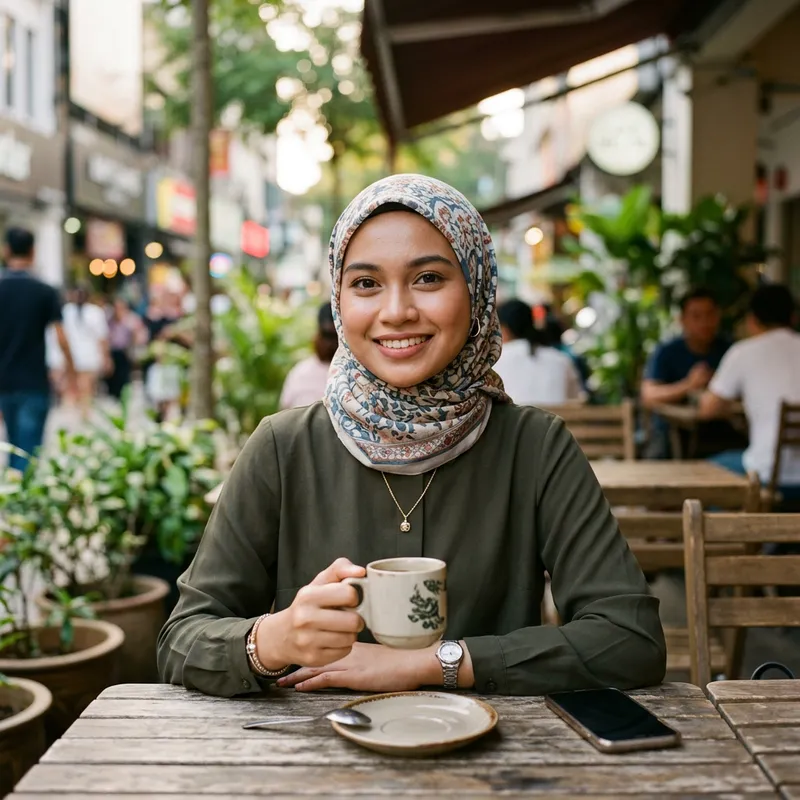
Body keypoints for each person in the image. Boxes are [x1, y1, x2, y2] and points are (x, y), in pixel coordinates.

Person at [158, 175, 665, 698]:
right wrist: (274, 639)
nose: (396, 310)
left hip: (495, 767)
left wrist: (439, 663)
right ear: (338, 299)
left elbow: (629, 639)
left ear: (477, 289)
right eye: (366, 284)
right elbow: (182, 639)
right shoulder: (283, 448)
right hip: (311, 765)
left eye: (427, 278)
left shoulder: (535, 448)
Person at [699, 283, 800, 497]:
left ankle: (725, 529)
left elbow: (707, 409)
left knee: (707, 472)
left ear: (752, 320)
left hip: (767, 475)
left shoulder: (742, 352)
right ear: (793, 318)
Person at [0, 228, 75, 471]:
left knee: (12, 445)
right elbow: (62, 338)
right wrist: (70, 373)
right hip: (34, 381)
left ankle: (13, 496)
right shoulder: (45, 291)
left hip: (4, 382)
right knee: (29, 450)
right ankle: (22, 501)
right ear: (33, 251)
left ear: (6, 251)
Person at [641, 288, 732, 458]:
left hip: (719, 431)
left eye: (710, 314)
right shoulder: (666, 351)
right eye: (696, 316)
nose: (705, 322)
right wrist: (689, 385)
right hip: (670, 434)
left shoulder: (730, 351)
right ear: (682, 320)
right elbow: (649, 395)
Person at [494, 298, 584, 406]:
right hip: (556, 421)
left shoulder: (496, 361)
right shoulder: (560, 359)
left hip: (514, 421)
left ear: (505, 329)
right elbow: (576, 397)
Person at [55, 286, 111, 418]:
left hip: (88, 355)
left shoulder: (94, 312)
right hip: (72, 354)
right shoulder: (66, 311)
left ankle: (84, 412)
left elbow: (102, 337)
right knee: (73, 386)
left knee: (86, 386)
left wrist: (105, 357)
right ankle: (75, 412)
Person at [279, 303, 339, 409]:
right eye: (326, 336)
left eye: (335, 337)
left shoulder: (355, 375)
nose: (330, 343)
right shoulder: (300, 374)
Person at [105, 297, 146, 400]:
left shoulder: (131, 319)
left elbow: (139, 335)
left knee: (124, 377)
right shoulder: (110, 319)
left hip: (126, 352)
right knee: (112, 378)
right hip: (113, 351)